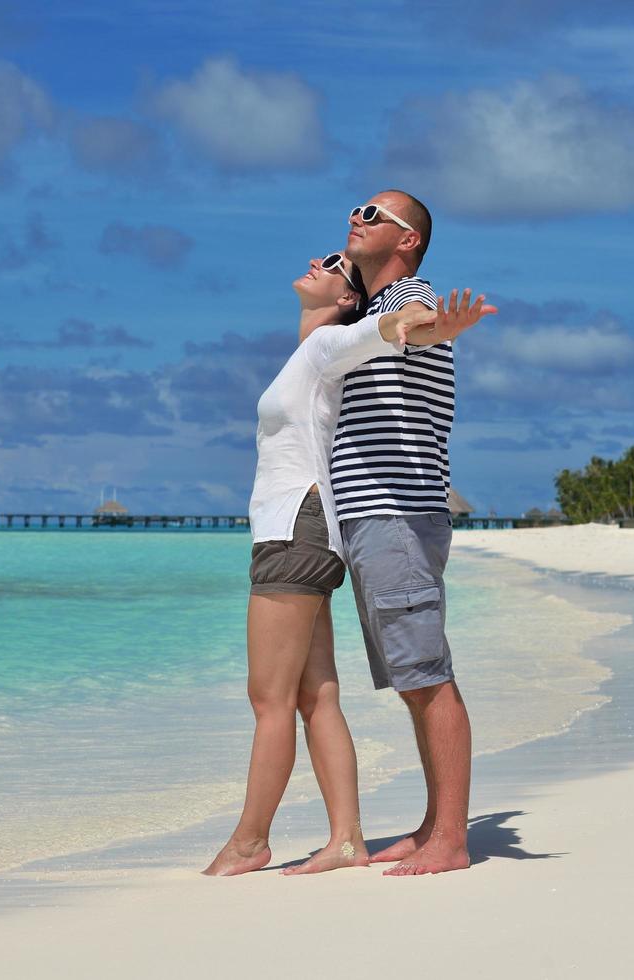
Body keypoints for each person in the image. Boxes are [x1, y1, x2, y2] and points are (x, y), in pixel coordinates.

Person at [203, 250, 493, 877]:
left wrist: (435, 327)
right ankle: (344, 839)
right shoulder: (319, 352)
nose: (318, 258)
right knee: (314, 694)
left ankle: (250, 842)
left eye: (335, 263)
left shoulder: (329, 343)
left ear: (344, 296)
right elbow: (382, 332)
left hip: (295, 525)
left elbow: (391, 324)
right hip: (310, 523)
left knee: (268, 698)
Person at [334, 190, 477, 875]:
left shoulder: (405, 297)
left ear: (406, 240)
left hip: (395, 511)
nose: (354, 219)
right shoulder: (365, 310)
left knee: (425, 676)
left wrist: (435, 325)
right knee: (410, 677)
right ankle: (432, 824)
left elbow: (418, 323)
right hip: (374, 515)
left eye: (370, 215)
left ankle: (449, 836)